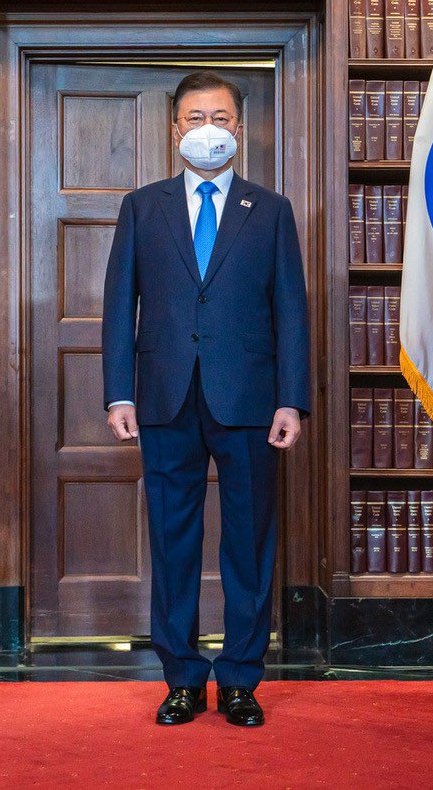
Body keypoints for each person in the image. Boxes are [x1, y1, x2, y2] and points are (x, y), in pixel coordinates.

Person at [101, 71, 310, 727]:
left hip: (250, 400)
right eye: (196, 118)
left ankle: (242, 677)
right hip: (165, 397)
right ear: (175, 130)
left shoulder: (270, 209)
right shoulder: (143, 207)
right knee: (173, 542)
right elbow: (119, 306)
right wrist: (118, 393)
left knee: (249, 543)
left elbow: (291, 310)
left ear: (239, 129)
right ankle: (182, 677)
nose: (208, 129)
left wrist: (292, 400)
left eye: (221, 117)